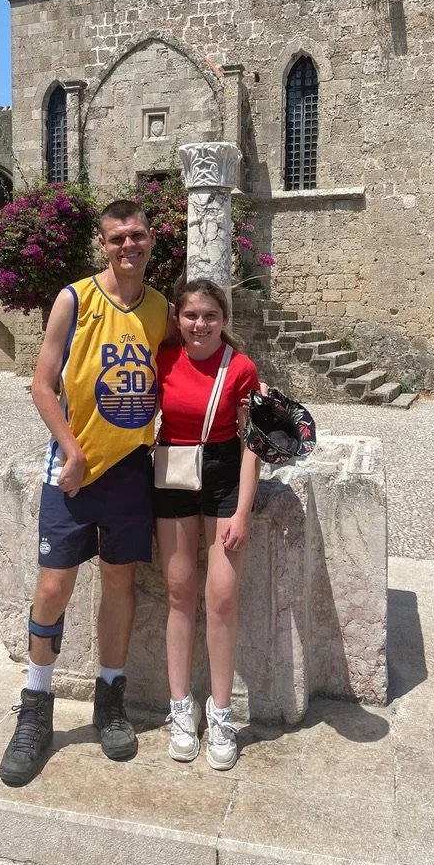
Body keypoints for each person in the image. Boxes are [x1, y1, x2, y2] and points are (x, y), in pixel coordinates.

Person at [0, 199, 170, 787]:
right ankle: (36, 703)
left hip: (129, 472)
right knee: (53, 585)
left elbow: (185, 366)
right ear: (105, 244)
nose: (130, 245)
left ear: (151, 241)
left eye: (139, 235)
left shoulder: (159, 309)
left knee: (121, 580)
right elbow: (42, 385)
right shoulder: (75, 299)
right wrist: (71, 450)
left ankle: (111, 697)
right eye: (119, 237)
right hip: (72, 470)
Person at [155, 278, 261, 770]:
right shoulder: (165, 359)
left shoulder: (240, 368)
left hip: (221, 476)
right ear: (178, 317)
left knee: (220, 598)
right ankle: (181, 706)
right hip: (173, 471)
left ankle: (221, 711)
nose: (200, 325)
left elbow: (252, 444)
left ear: (224, 320)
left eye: (210, 316)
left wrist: (241, 511)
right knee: (179, 593)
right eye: (192, 315)